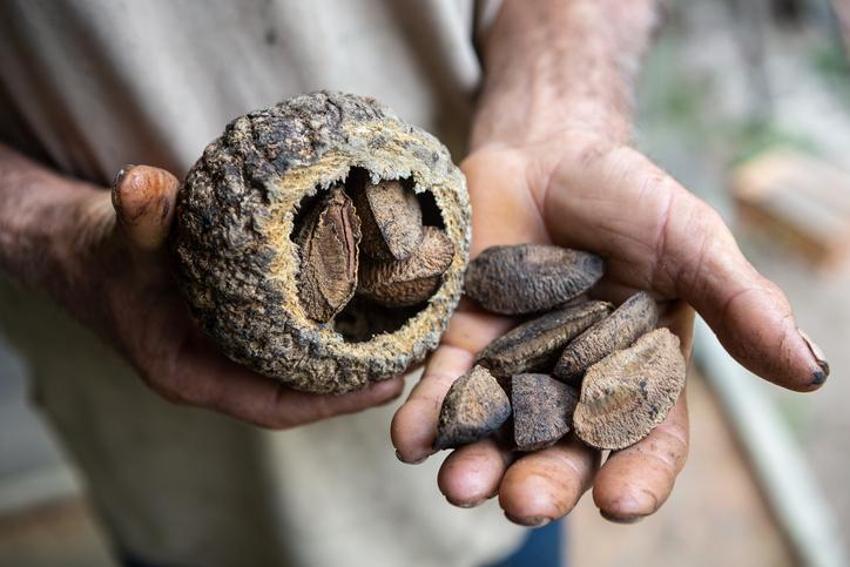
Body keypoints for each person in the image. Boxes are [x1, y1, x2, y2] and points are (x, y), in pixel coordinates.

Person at [0, 1, 829, 566]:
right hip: (169, 471)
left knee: (517, 513)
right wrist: (49, 234)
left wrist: (557, 107)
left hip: (469, 450)